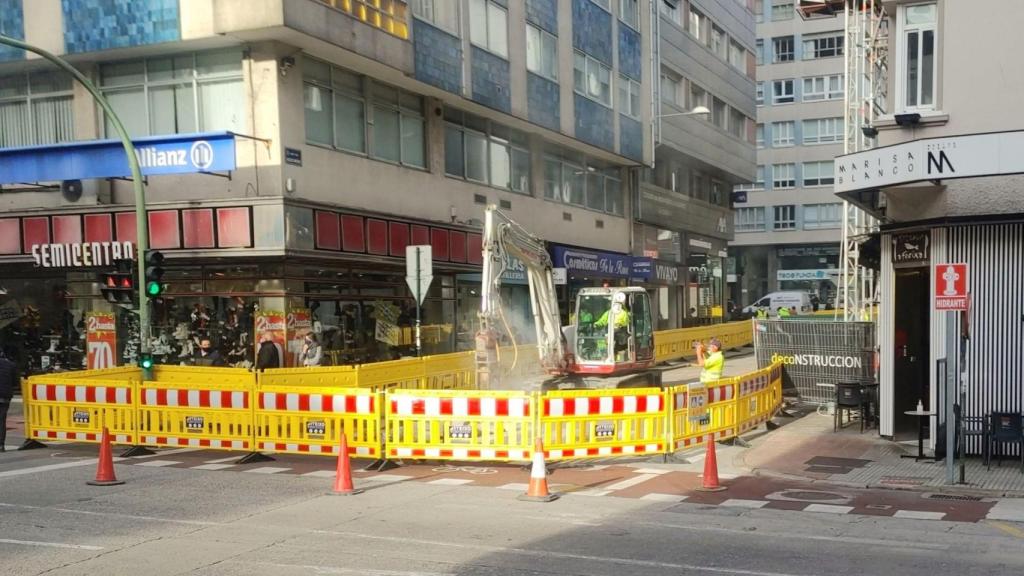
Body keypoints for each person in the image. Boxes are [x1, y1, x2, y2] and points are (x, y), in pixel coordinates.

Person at [0, 350, 16, 452]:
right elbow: (15, 382)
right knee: (2, 420)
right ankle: (1, 445)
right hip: (5, 396)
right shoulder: (11, 365)